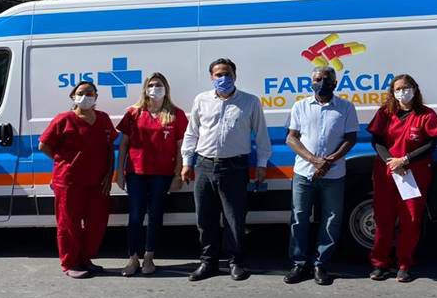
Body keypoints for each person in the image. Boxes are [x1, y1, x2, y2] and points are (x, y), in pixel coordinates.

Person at [180, 58, 271, 281]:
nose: (223, 78)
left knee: (234, 218)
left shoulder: (250, 101)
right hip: (204, 165)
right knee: (205, 218)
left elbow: (261, 135)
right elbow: (192, 133)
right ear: (211, 77)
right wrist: (186, 162)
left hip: (234, 167)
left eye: (227, 74)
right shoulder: (201, 100)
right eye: (218, 75)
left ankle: (236, 262)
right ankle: (208, 262)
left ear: (235, 75)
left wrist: (262, 164)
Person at [283, 67, 359, 286]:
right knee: (299, 218)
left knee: (331, 220)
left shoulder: (346, 107)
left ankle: (320, 264)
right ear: (311, 82)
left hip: (334, 175)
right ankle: (299, 263)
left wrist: (329, 161)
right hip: (303, 173)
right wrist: (314, 160)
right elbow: (291, 138)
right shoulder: (300, 106)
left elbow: (350, 138)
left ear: (335, 83)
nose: (322, 83)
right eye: (317, 79)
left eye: (327, 79)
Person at [367, 74, 437, 283]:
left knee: (410, 220)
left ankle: (404, 264)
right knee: (383, 219)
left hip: (414, 175)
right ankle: (380, 263)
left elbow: (431, 144)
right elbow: (377, 141)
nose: (403, 92)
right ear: (392, 92)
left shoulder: (426, 114)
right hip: (387, 173)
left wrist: (405, 160)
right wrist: (391, 162)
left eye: (406, 87)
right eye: (398, 89)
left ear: (415, 89)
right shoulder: (385, 113)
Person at [38, 81, 117, 279]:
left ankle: (85, 259)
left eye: (90, 93)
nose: (85, 96)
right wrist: (64, 161)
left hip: (98, 182)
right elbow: (43, 145)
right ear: (73, 96)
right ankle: (70, 263)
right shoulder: (63, 119)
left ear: (96, 97)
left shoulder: (103, 119)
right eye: (81, 93)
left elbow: (109, 148)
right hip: (69, 181)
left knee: (96, 223)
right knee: (69, 224)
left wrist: (109, 175)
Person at [115, 73, 188, 277]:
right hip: (136, 173)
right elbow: (123, 145)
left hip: (162, 175)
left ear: (166, 88)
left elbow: (180, 148)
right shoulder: (134, 113)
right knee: (135, 216)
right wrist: (119, 173)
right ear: (145, 88)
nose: (155, 88)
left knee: (155, 215)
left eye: (159, 85)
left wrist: (177, 175)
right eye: (151, 85)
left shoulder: (176, 114)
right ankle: (133, 258)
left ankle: (149, 257)